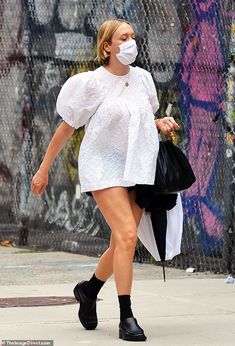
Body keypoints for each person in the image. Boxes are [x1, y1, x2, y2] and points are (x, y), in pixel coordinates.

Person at [31, 19, 180, 342]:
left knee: (121, 243)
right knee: (127, 233)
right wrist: (44, 168)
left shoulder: (142, 79)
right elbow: (67, 127)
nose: (131, 42)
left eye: (132, 36)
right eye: (122, 37)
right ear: (107, 47)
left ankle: (89, 290)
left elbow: (139, 120)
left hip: (138, 166)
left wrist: (160, 123)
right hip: (102, 166)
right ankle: (127, 316)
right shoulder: (92, 84)